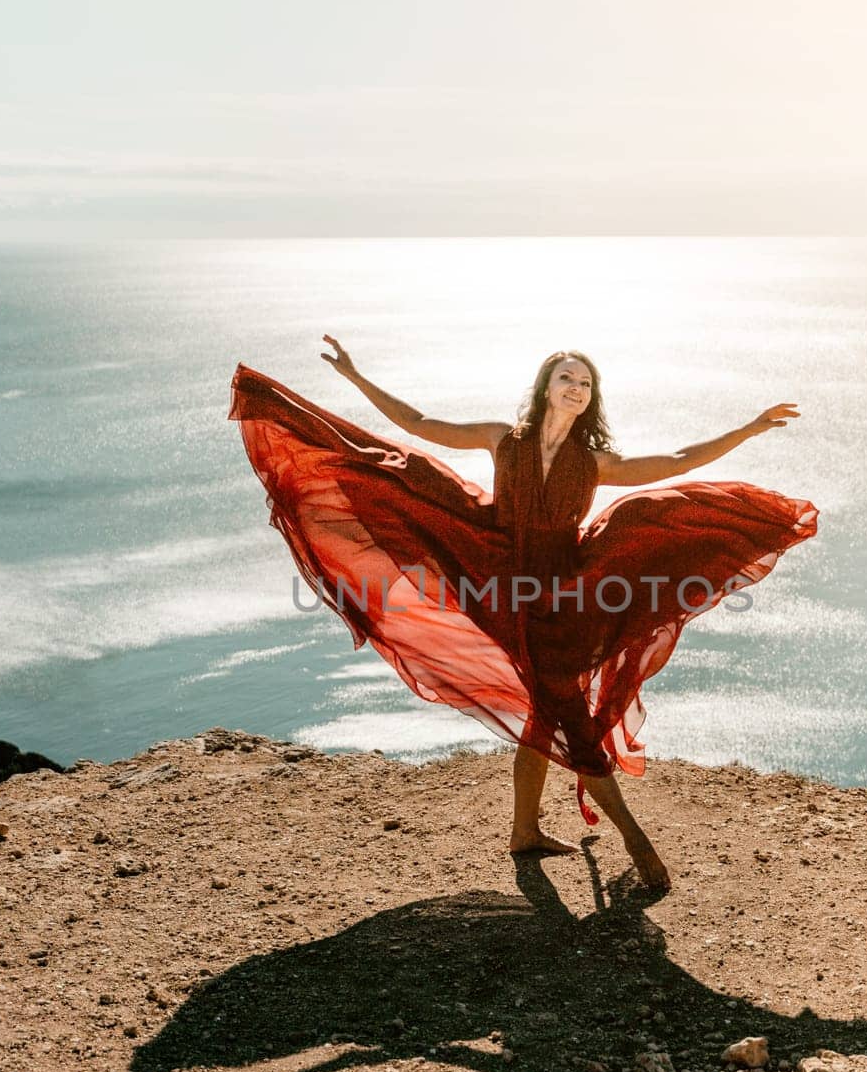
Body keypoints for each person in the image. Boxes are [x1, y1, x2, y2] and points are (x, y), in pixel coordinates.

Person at [228, 345, 819, 895]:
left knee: (549, 705)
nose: (577, 388)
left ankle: (525, 832)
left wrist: (750, 427)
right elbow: (418, 425)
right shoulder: (501, 439)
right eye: (566, 378)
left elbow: (679, 460)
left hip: (565, 594)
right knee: (562, 706)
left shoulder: (593, 463)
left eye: (586, 383)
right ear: (544, 388)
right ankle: (636, 847)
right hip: (497, 580)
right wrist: (357, 378)